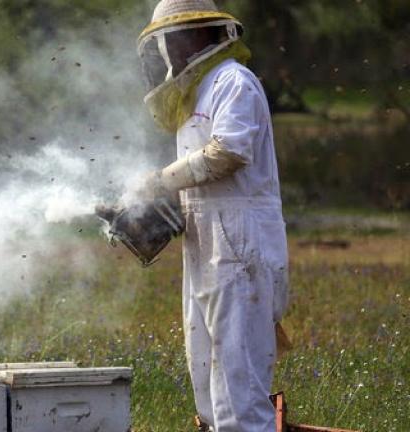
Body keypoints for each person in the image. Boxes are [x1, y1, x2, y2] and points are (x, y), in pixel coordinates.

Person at [131, 1, 290, 431]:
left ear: (200, 34)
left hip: (240, 241)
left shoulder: (233, 81)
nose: (169, 50)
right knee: (206, 378)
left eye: (173, 37)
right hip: (206, 243)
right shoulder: (194, 94)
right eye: (164, 40)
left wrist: (161, 181)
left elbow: (230, 152)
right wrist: (161, 213)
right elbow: (199, 182)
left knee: (239, 387)